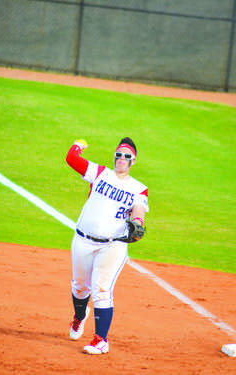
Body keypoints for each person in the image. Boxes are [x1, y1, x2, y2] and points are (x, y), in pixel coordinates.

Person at [66, 137, 149, 354]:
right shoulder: (100, 173)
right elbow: (71, 159)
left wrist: (138, 222)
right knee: (80, 286)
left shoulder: (139, 189)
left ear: (133, 161)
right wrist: (78, 146)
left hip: (112, 246)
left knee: (101, 289)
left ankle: (100, 340)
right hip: (83, 240)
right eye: (118, 155)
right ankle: (79, 316)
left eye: (126, 156)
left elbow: (139, 209)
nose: (121, 159)